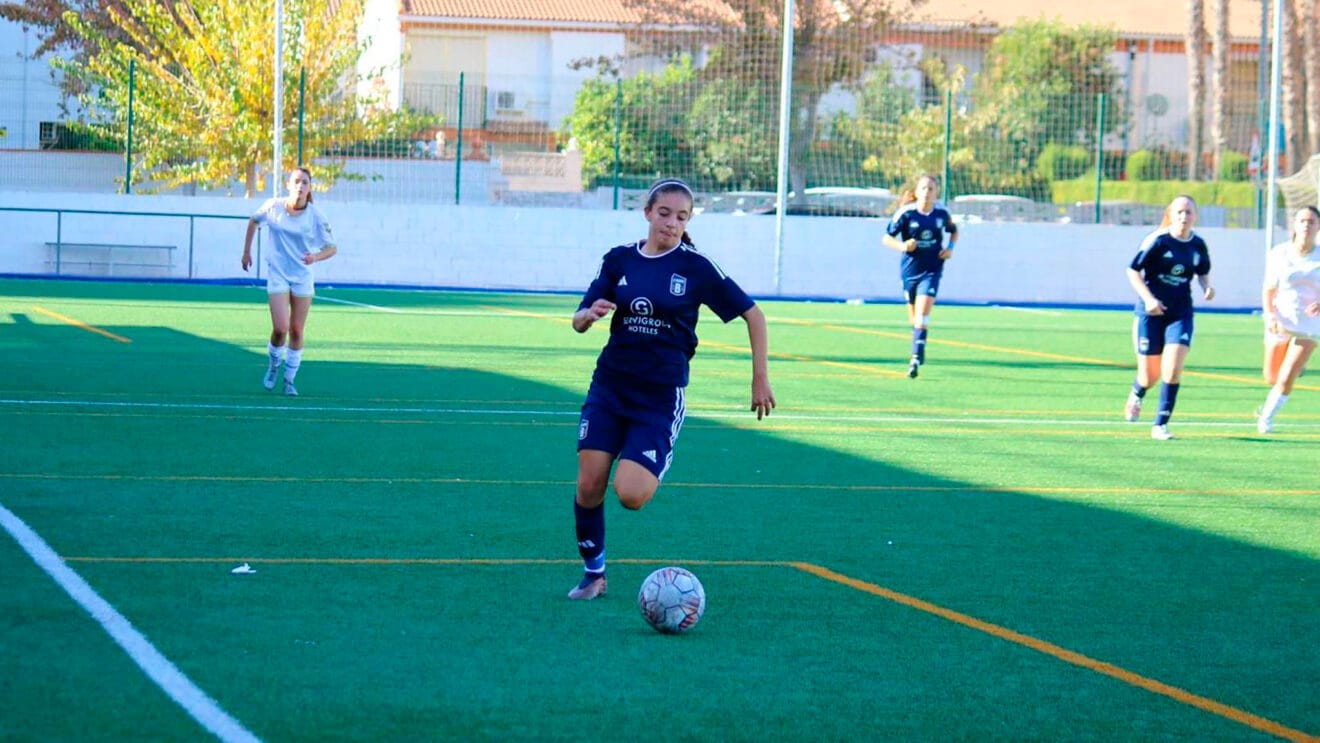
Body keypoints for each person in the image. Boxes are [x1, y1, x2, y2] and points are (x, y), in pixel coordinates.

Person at [566, 178, 776, 600]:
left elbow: (754, 315)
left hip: (659, 397)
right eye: (664, 214)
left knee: (631, 494)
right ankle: (594, 574)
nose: (671, 224)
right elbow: (578, 318)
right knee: (589, 484)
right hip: (609, 386)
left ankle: (655, 452)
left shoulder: (696, 267)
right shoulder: (620, 259)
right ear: (648, 213)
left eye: (682, 217)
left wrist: (759, 378)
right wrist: (590, 314)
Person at [1122, 195, 1214, 440]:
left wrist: (1207, 286)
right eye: (1180, 212)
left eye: (1189, 212)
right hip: (1150, 313)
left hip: (1180, 312)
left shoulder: (1198, 245)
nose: (1184, 217)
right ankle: (1137, 392)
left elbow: (1202, 272)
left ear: (1195, 216)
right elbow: (1133, 270)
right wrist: (1149, 299)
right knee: (1149, 376)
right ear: (1171, 215)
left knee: (1172, 370)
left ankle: (1160, 424)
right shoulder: (1157, 241)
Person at [240, 167, 338, 396]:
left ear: (310, 187)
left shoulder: (316, 216)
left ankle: (289, 379)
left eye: (305, 182)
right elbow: (253, 221)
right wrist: (246, 252)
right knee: (280, 328)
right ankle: (274, 365)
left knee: (296, 330)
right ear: (288, 185)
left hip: (302, 276)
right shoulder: (273, 207)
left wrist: (315, 256)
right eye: (296, 181)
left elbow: (332, 248)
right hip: (278, 274)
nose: (300, 186)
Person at [881, 174, 958, 378]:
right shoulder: (906, 214)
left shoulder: (941, 213)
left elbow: (954, 231)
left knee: (923, 313)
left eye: (931, 189)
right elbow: (886, 238)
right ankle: (918, 341)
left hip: (932, 269)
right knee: (914, 318)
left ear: (936, 193)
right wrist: (903, 246)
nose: (927, 192)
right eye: (924, 188)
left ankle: (915, 356)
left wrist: (949, 248)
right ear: (917, 192)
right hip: (910, 271)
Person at [1256, 206, 1320, 433]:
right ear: (1294, 224)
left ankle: (1266, 418)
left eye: (1311, 221)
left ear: (1318, 227)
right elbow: (1269, 289)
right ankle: (1292, 370)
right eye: (1302, 220)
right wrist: (1269, 315)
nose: (1306, 225)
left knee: (1285, 378)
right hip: (1281, 320)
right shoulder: (1280, 253)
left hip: (1310, 324)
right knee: (1271, 376)